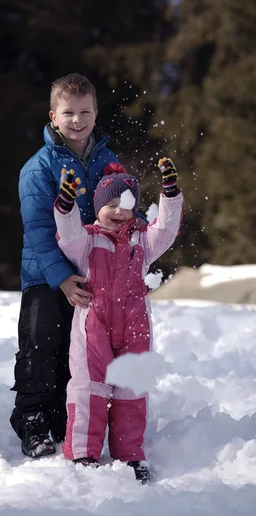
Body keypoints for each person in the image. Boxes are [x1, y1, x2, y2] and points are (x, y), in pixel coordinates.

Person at [10, 73, 122, 458]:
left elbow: (121, 211)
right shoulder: (38, 168)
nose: (77, 120)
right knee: (43, 345)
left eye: (85, 111)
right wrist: (61, 278)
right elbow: (39, 230)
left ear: (96, 113)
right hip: (47, 276)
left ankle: (67, 416)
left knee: (80, 353)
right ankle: (33, 420)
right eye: (68, 112)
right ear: (53, 116)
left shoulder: (109, 162)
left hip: (94, 277)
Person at [53, 157, 183, 483]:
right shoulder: (88, 240)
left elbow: (166, 229)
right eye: (109, 204)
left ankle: (129, 454)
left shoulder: (143, 240)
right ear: (97, 207)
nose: (117, 211)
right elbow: (66, 237)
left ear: (134, 208)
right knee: (89, 388)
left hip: (135, 327)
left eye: (124, 204)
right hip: (93, 325)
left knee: (131, 390)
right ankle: (83, 451)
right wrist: (66, 205)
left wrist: (170, 194)